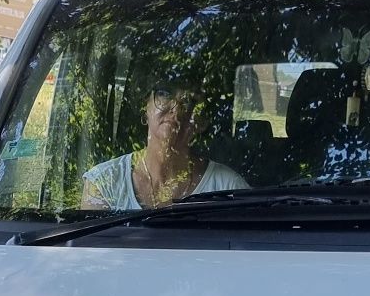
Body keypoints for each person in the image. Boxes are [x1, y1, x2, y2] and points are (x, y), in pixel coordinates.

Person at [80, 87, 246, 209]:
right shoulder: (103, 183)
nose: (175, 108)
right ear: (145, 109)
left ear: (202, 123)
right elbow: (90, 253)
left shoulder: (229, 188)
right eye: (165, 94)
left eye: (188, 101)